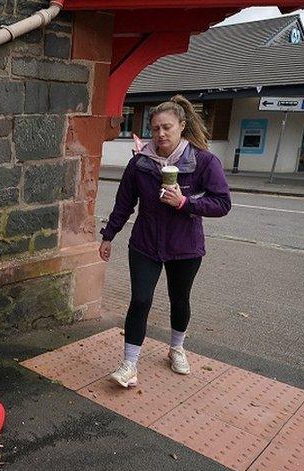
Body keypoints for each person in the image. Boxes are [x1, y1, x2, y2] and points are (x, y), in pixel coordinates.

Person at [99, 95, 231, 388]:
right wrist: (109, 235)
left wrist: (185, 202)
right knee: (141, 300)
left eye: (166, 127)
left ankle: (176, 348)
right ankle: (129, 365)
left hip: (185, 247)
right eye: (155, 128)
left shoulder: (203, 161)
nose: (160, 134)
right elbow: (124, 204)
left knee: (179, 299)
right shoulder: (140, 164)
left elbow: (222, 203)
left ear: (181, 126)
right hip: (145, 243)